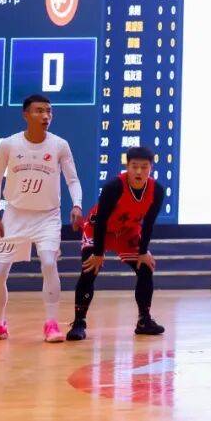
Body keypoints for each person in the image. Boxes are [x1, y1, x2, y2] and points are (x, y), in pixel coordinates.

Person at [0, 94, 83, 343]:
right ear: (25, 115)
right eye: (39, 111)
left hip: (47, 217)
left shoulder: (60, 145)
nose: (45, 116)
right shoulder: (9, 144)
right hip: (14, 216)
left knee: (48, 263)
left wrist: (77, 205)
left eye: (49, 111)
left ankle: (51, 324)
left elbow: (73, 180)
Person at [66, 146, 165, 341]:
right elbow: (101, 220)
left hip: (127, 232)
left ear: (151, 168)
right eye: (134, 166)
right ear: (127, 167)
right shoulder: (114, 187)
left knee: (145, 268)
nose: (139, 171)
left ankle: (144, 320)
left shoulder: (157, 191)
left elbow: (148, 223)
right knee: (89, 270)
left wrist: (143, 252)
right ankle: (79, 323)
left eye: (144, 167)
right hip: (98, 229)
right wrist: (98, 253)